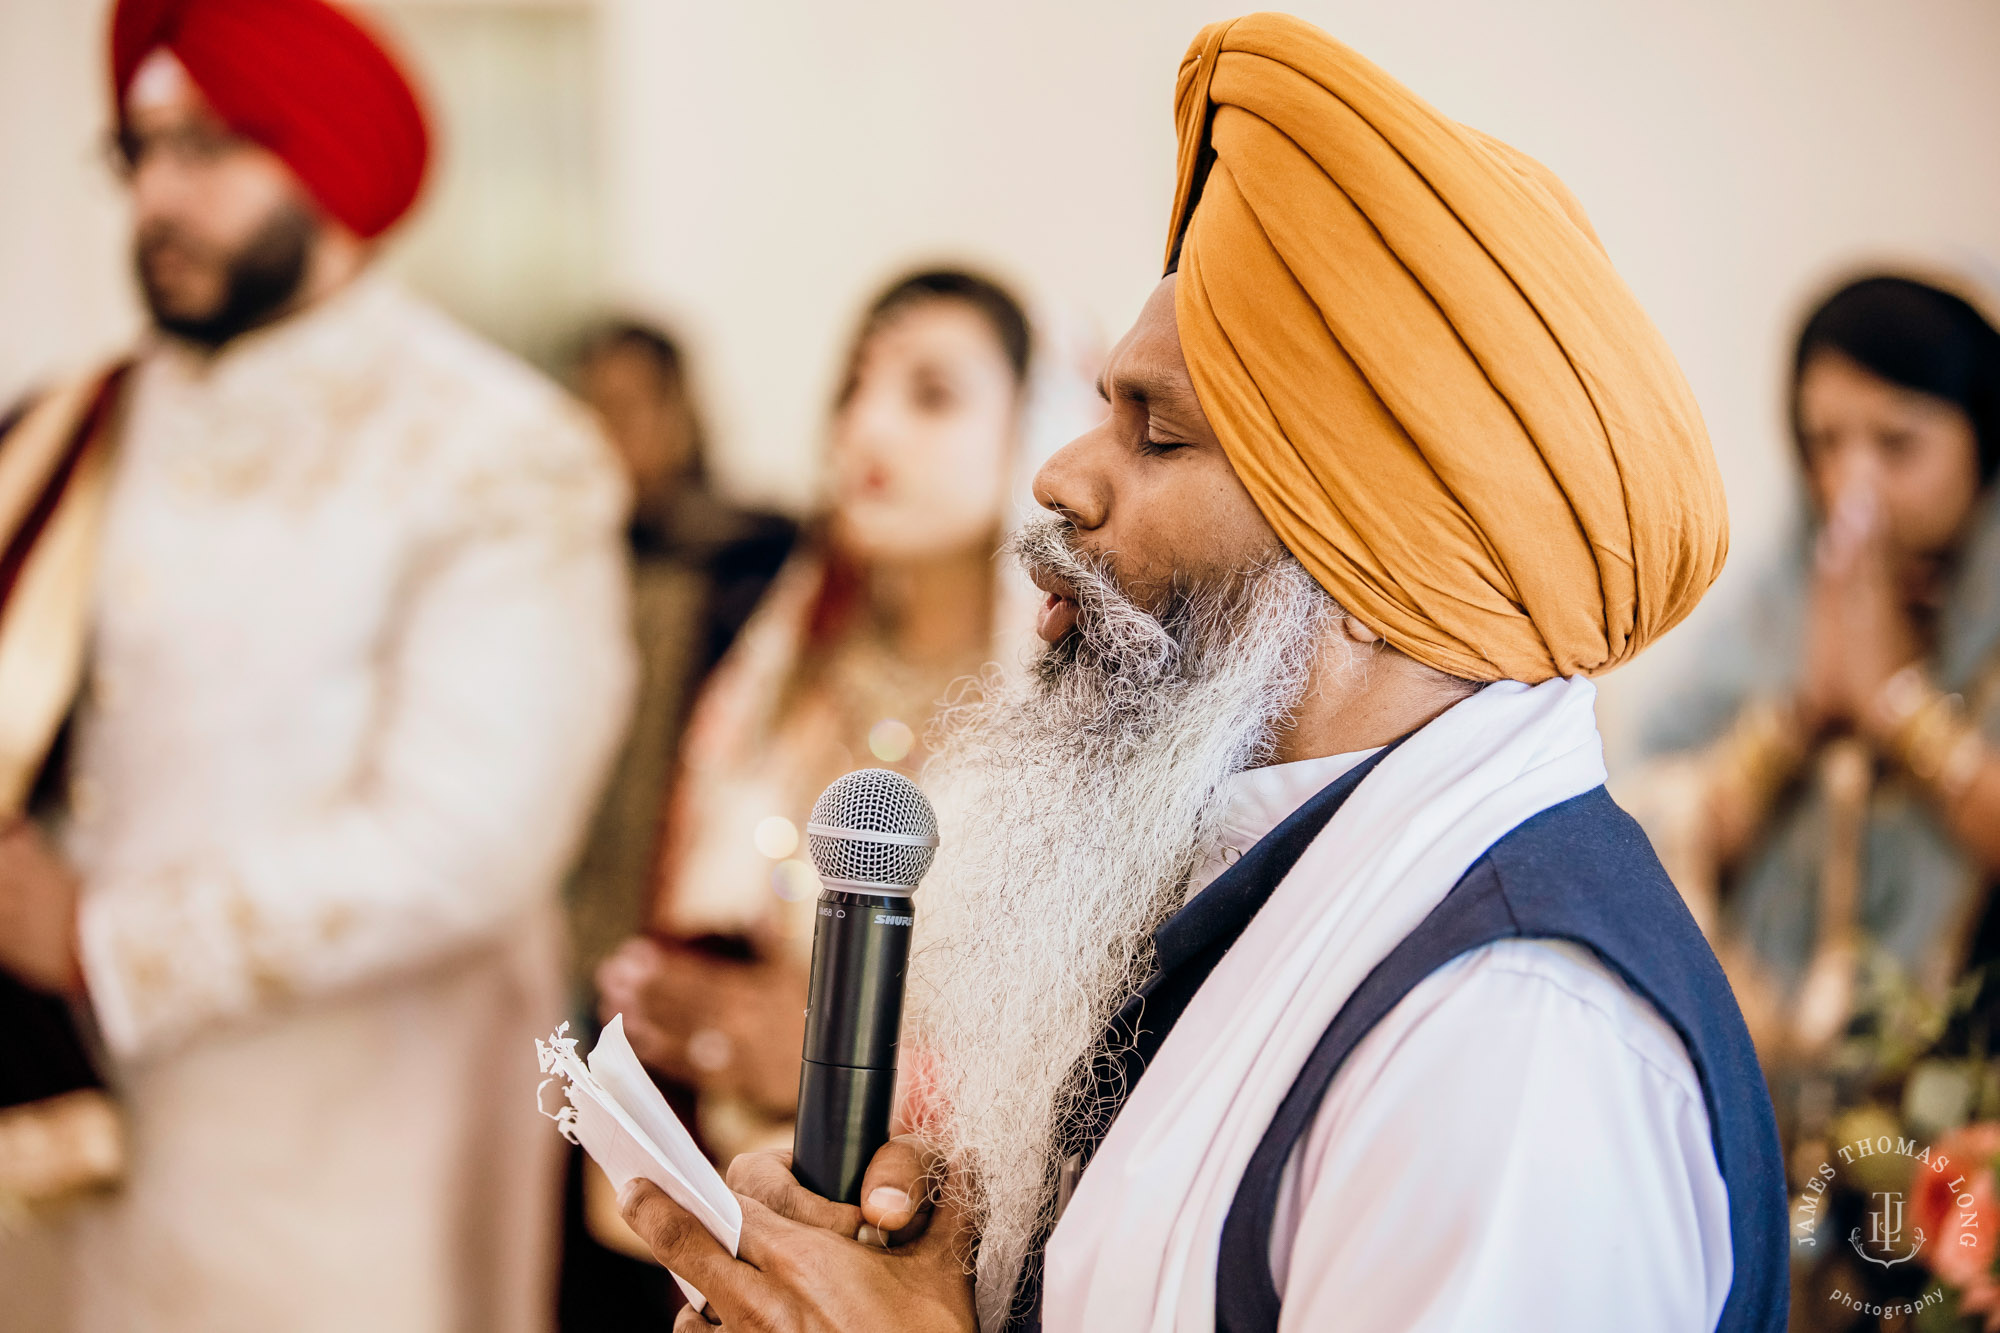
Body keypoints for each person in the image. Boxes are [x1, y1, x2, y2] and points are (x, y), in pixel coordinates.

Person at [610, 15, 1787, 1333]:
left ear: (1369, 559)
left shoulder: (1516, 1045)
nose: (1063, 476)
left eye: (1153, 432)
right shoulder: (1263, 857)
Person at [0, 2, 634, 1329]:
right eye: (140, 152)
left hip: (342, 1173)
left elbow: (470, 836)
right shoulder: (76, 420)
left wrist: (101, 937)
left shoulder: (497, 451)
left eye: (211, 148)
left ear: (334, 165)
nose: (160, 197)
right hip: (51, 1150)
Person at [593, 270, 1034, 1172]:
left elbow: (1076, 1065)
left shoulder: (1062, 721)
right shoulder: (784, 674)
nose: (867, 427)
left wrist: (829, 1063)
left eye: (932, 395)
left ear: (1036, 428)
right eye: (853, 390)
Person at [1628, 275, 2000, 1321]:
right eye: (1823, 442)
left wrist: (1898, 708)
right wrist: (1793, 718)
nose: (1851, 484)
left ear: (1979, 437)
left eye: (1894, 442)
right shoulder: (1780, 601)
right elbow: (1650, 820)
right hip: (1781, 1099)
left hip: (1964, 1113)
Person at [558, 320, 794, 1330]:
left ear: (678, 412)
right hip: (579, 920)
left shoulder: (750, 558)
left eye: (628, 404)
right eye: (586, 405)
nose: (606, 431)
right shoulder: (556, 561)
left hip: (700, 929)